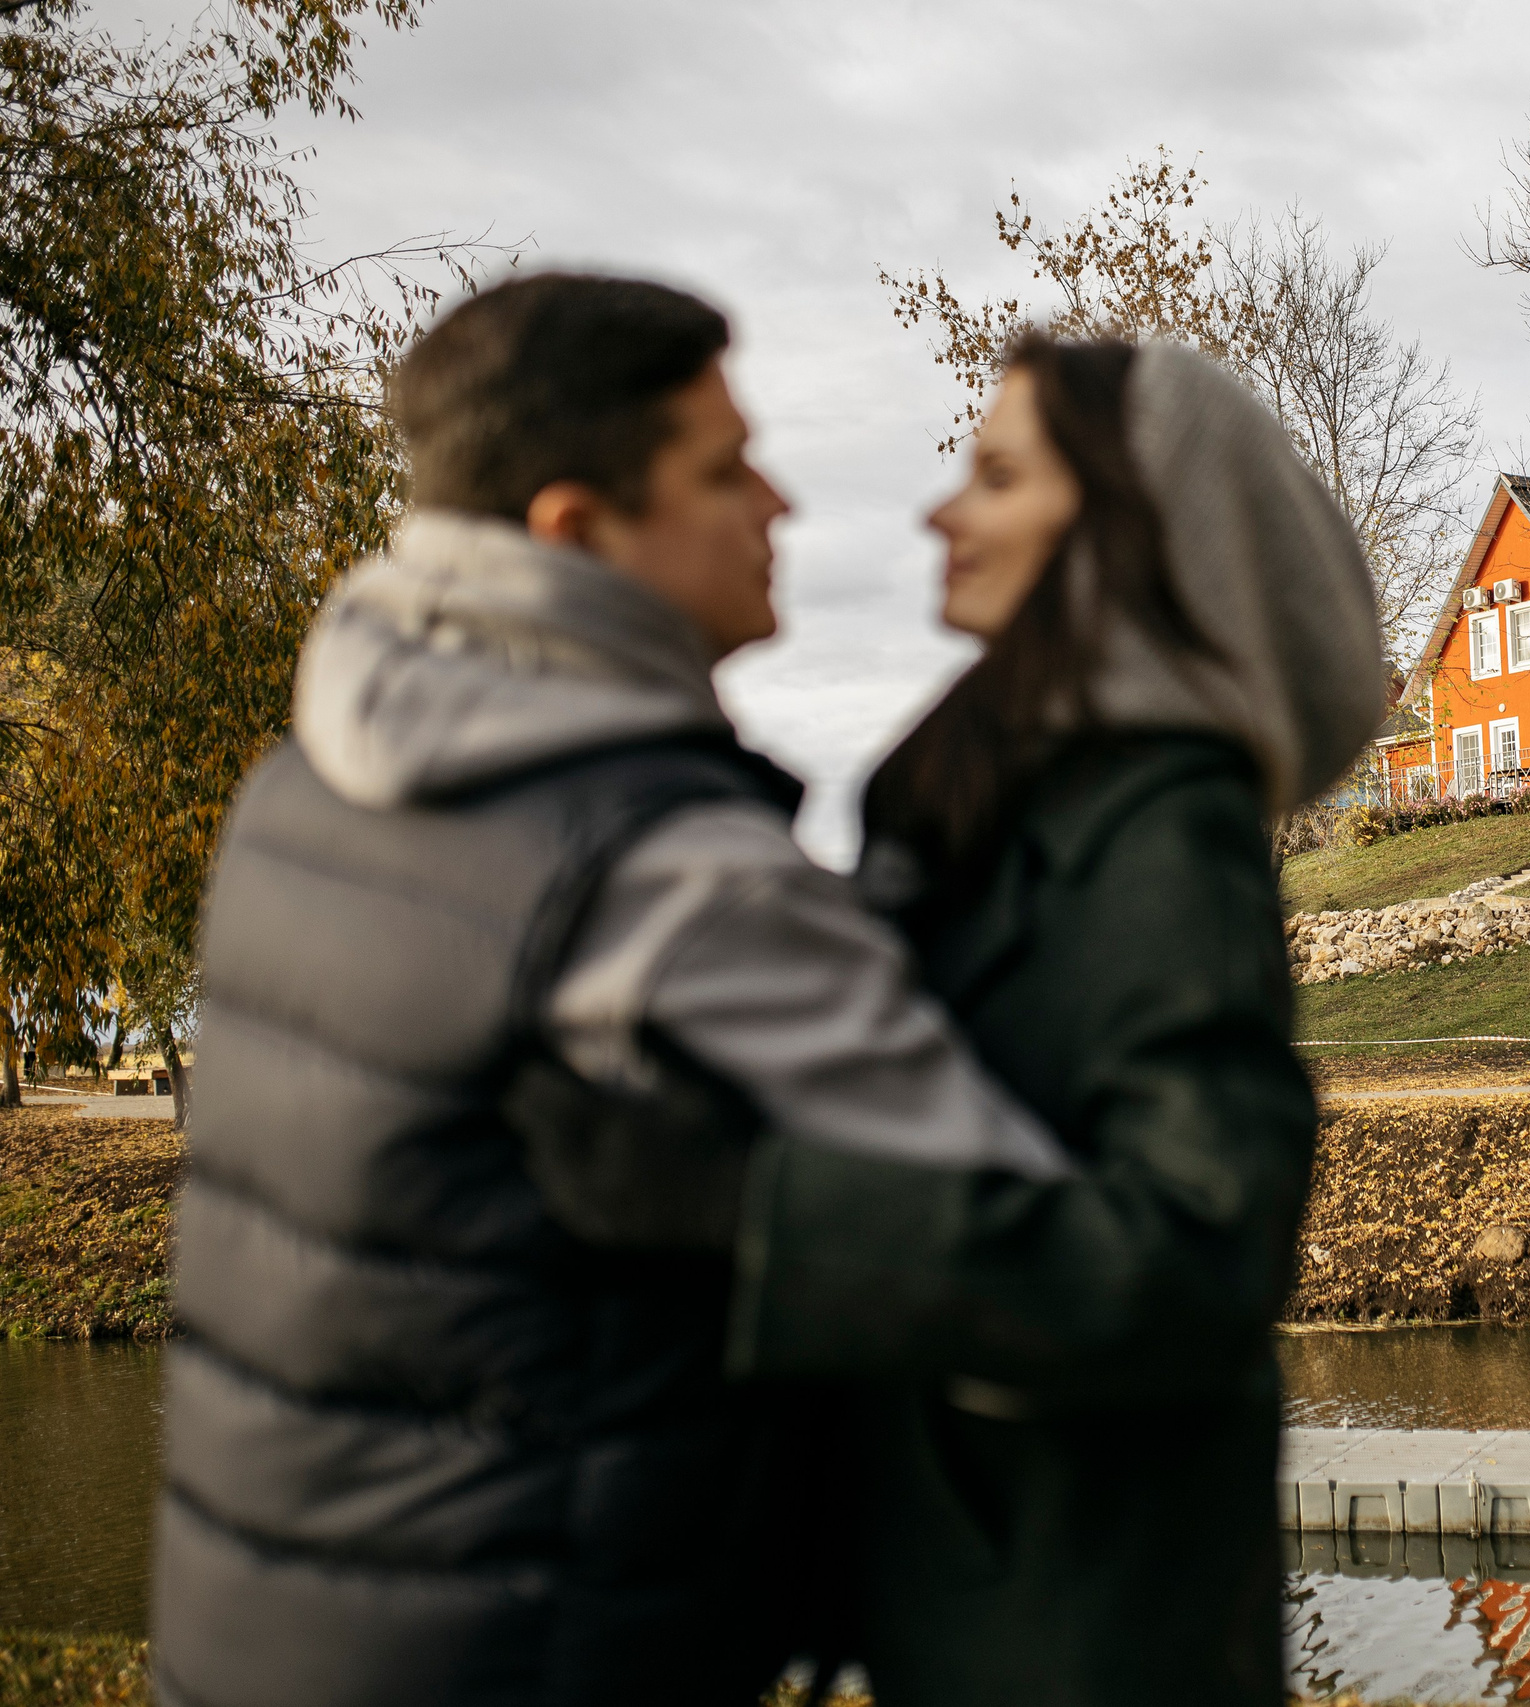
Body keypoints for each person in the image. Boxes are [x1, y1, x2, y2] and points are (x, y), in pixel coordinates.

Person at [149, 273, 1078, 1707]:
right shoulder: (668, 868)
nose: (780, 501)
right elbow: (1035, 1260)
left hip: (262, 1635)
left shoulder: (298, 786)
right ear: (576, 534)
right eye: (722, 467)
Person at [733, 333, 1382, 1703]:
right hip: (980, 1593)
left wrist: (760, 1207)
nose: (939, 511)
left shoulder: (1160, 829)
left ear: (1118, 524)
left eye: (997, 474)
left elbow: (1200, 1252)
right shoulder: (999, 800)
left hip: (1090, 1636)